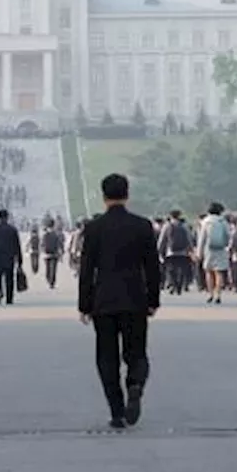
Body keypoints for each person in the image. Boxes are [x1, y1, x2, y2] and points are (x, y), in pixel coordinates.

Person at [77, 173, 161, 429]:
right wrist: (153, 299)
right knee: (136, 352)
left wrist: (84, 304)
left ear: (104, 196)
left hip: (103, 300)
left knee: (106, 356)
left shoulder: (93, 228)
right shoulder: (142, 225)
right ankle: (134, 384)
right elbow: (152, 267)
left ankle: (116, 411)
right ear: (127, 194)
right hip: (135, 298)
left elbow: (86, 268)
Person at [0, 209, 23, 305]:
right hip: (9, 258)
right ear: (7, 217)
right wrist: (20, 261)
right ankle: (9, 298)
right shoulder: (13, 230)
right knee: (9, 279)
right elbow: (17, 246)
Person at [200, 202, 231, 304]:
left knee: (209, 271)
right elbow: (228, 236)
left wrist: (199, 252)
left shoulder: (206, 221)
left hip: (208, 249)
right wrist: (226, 245)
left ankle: (210, 294)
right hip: (221, 249)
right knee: (219, 272)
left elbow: (202, 238)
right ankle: (218, 294)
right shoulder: (223, 221)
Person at [158, 210, 194, 295]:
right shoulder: (184, 226)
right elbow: (189, 239)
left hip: (170, 252)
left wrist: (159, 250)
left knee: (171, 270)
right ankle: (179, 286)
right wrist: (191, 250)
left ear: (170, 216)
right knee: (181, 269)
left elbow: (162, 239)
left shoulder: (167, 226)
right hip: (183, 252)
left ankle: (174, 285)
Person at [42, 219, 64, 289]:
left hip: (47, 254)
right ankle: (52, 282)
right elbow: (60, 244)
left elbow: (42, 244)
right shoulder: (56, 234)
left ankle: (49, 280)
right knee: (53, 269)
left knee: (47, 269)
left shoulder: (44, 234)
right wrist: (61, 252)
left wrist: (42, 251)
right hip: (55, 254)